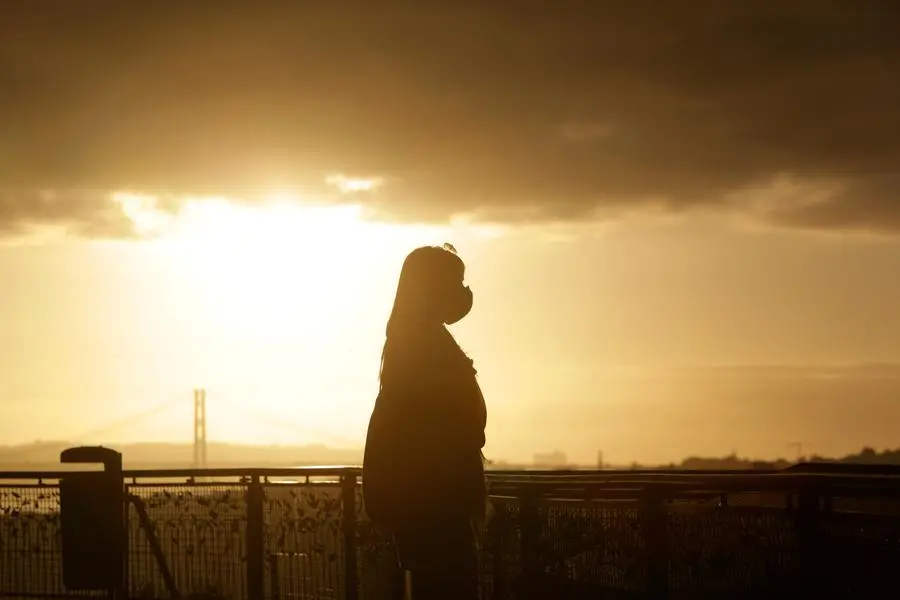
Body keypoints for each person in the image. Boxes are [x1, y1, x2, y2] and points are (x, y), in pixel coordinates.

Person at [363, 244, 487, 600]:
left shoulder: (416, 341)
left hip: (431, 508)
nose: (463, 293)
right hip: (436, 509)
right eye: (456, 281)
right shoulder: (424, 346)